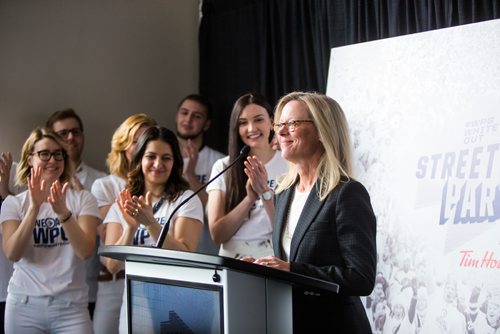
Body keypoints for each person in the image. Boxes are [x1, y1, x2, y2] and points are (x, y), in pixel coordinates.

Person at [246, 92, 377, 333]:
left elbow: (361, 278)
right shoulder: (284, 193)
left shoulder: (346, 194)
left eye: (293, 124)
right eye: (279, 124)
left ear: (321, 131)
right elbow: (287, 259)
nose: (281, 132)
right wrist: (257, 268)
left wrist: (292, 270)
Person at [102, 126, 203, 333]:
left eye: (166, 158)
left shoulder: (186, 199)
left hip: (176, 302)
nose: (158, 164)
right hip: (134, 301)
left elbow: (185, 255)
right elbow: (112, 266)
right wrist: (130, 229)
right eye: (151, 156)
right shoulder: (123, 202)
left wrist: (151, 225)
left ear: (175, 162)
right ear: (139, 159)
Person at [0, 127, 100, 333]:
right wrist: (34, 208)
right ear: (29, 159)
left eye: (58, 154)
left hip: (71, 308)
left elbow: (85, 251)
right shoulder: (13, 203)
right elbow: (13, 252)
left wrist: (63, 213)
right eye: (44, 154)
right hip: (23, 305)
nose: (53, 160)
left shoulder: (83, 199)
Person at [90, 114, 156, 334]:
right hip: (114, 280)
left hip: (151, 279)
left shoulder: (159, 184)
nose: (141, 147)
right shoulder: (105, 186)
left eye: (146, 140)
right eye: (135, 141)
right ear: (123, 144)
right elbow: (107, 233)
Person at [206, 92, 288, 259]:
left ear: (272, 123)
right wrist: (249, 198)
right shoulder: (223, 166)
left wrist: (265, 192)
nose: (251, 129)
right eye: (243, 123)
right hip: (232, 257)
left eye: (258, 119)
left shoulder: (288, 164)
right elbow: (217, 235)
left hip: (271, 256)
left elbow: (286, 231)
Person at [46, 108, 107, 318]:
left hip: (89, 288)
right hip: (44, 290)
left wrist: (82, 195)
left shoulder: (100, 180)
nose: (71, 138)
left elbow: (106, 232)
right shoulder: (38, 186)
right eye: (63, 133)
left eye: (76, 132)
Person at [175, 94, 224, 255]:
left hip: (205, 252)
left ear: (206, 124)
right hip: (170, 250)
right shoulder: (161, 158)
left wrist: (190, 175)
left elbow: (214, 211)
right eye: (184, 113)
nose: (188, 119)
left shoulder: (219, 161)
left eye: (196, 116)